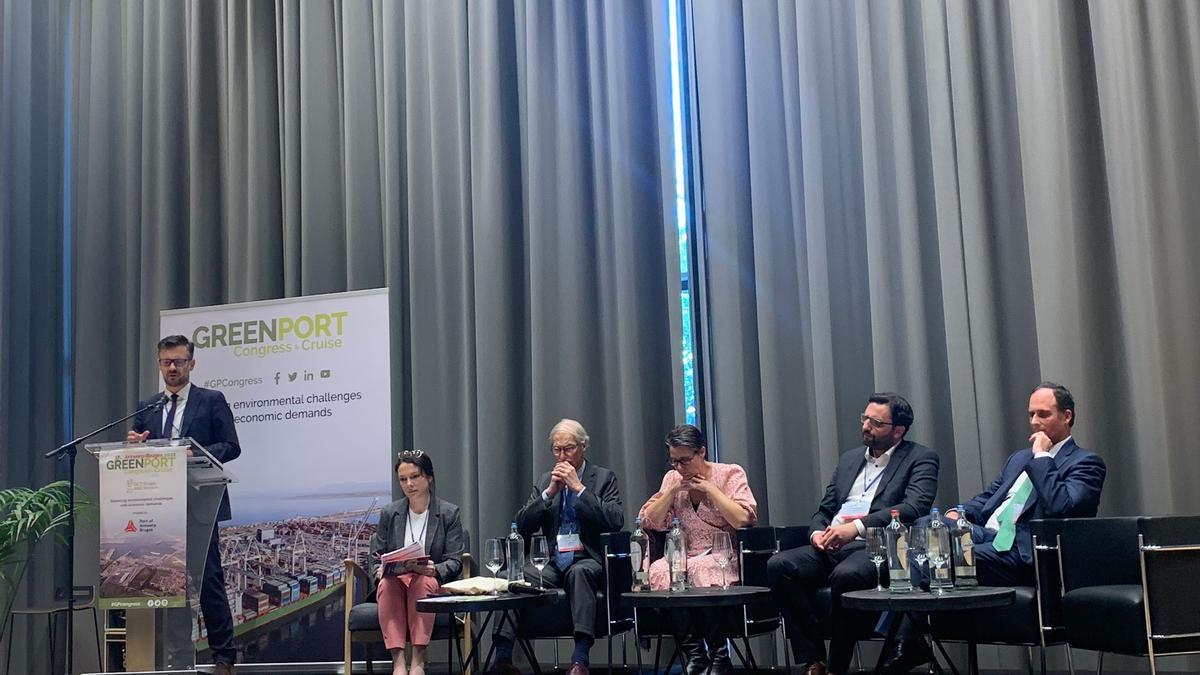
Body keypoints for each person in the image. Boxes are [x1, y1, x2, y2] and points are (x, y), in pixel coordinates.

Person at [880, 382, 1107, 674]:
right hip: (987, 534)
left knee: (938, 556)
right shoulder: (1018, 458)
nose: (1035, 422)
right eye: (1031, 414)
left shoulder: (1086, 463)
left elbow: (1061, 506)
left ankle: (900, 643)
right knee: (928, 526)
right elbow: (988, 499)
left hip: (1023, 551)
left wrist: (1042, 458)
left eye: (1044, 414)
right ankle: (905, 642)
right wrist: (956, 513)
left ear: (1067, 416)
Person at [766, 393, 939, 675]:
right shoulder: (849, 460)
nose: (866, 427)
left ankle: (837, 667)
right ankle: (813, 660)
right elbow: (824, 510)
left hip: (878, 546)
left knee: (846, 575)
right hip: (831, 544)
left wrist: (856, 528)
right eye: (865, 418)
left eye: (876, 422)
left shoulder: (920, 458)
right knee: (779, 566)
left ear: (898, 430)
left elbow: (913, 507)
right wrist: (816, 535)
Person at [127, 335, 241, 675]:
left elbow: (231, 446)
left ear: (192, 363)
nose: (172, 367)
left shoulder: (211, 401)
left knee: (208, 582)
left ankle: (224, 657)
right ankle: (178, 656)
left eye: (178, 361)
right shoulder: (147, 407)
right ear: (159, 364)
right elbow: (137, 449)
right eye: (166, 362)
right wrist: (133, 446)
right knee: (169, 586)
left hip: (200, 505)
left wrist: (198, 454)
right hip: (160, 507)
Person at [490, 419, 625, 675]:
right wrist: (549, 493)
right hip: (552, 563)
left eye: (569, 449)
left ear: (583, 447)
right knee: (516, 578)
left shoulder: (604, 478)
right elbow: (520, 525)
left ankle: (579, 660)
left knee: (579, 572)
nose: (562, 456)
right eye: (557, 450)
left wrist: (579, 488)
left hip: (589, 559)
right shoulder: (544, 481)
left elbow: (615, 520)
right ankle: (503, 658)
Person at [639, 424, 757, 675]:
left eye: (685, 460)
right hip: (684, 553)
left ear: (701, 452)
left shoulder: (729, 474)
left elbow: (742, 519)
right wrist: (671, 492)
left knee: (695, 568)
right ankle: (694, 653)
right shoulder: (672, 479)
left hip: (722, 555)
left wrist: (710, 490)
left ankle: (719, 653)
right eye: (674, 462)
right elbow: (650, 520)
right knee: (661, 569)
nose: (680, 468)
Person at [369, 450, 467, 675]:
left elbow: (456, 560)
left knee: (422, 582)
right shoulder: (390, 513)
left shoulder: (448, 513)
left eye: (414, 477)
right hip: (396, 581)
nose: (408, 484)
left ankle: (418, 661)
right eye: (403, 479)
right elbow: (375, 554)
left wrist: (435, 569)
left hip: (428, 580)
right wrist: (379, 570)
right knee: (385, 583)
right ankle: (398, 662)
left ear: (429, 477)